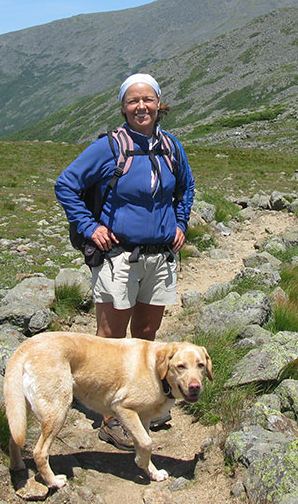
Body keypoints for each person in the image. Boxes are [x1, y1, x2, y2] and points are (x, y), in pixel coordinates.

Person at [55, 73, 195, 447]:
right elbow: (65, 184)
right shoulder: (108, 148)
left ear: (158, 104)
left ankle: (141, 406)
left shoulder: (171, 147)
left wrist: (181, 221)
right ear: (123, 107)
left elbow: (186, 186)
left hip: (160, 257)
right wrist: (89, 226)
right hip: (118, 257)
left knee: (147, 339)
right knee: (110, 342)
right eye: (133, 100)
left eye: (148, 99)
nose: (141, 106)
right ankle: (109, 418)